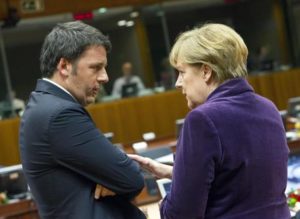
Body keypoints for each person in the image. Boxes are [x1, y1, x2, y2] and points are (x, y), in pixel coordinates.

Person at [129, 23, 290, 218]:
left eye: (181, 72)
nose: (177, 83)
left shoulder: (202, 119)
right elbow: (240, 182)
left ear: (206, 71)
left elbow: (181, 214)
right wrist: (178, 174)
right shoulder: (268, 107)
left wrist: (164, 205)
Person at [19, 21, 146, 219]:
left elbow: (123, 176)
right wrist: (114, 178)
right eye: (96, 68)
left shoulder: (47, 106)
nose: (105, 77)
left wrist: (113, 178)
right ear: (64, 66)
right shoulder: (59, 114)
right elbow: (133, 179)